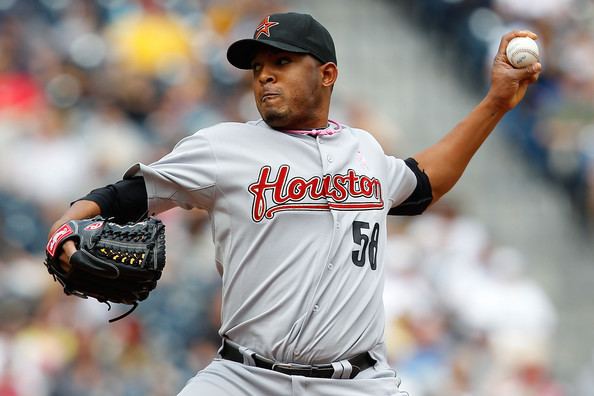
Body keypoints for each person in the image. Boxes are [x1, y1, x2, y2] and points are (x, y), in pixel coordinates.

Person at [47, 11, 541, 396]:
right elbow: (123, 196)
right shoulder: (223, 147)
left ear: (327, 74)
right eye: (258, 68)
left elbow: (424, 179)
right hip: (244, 377)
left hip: (358, 381)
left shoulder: (365, 151)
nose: (264, 77)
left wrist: (496, 102)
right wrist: (64, 231)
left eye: (281, 63)